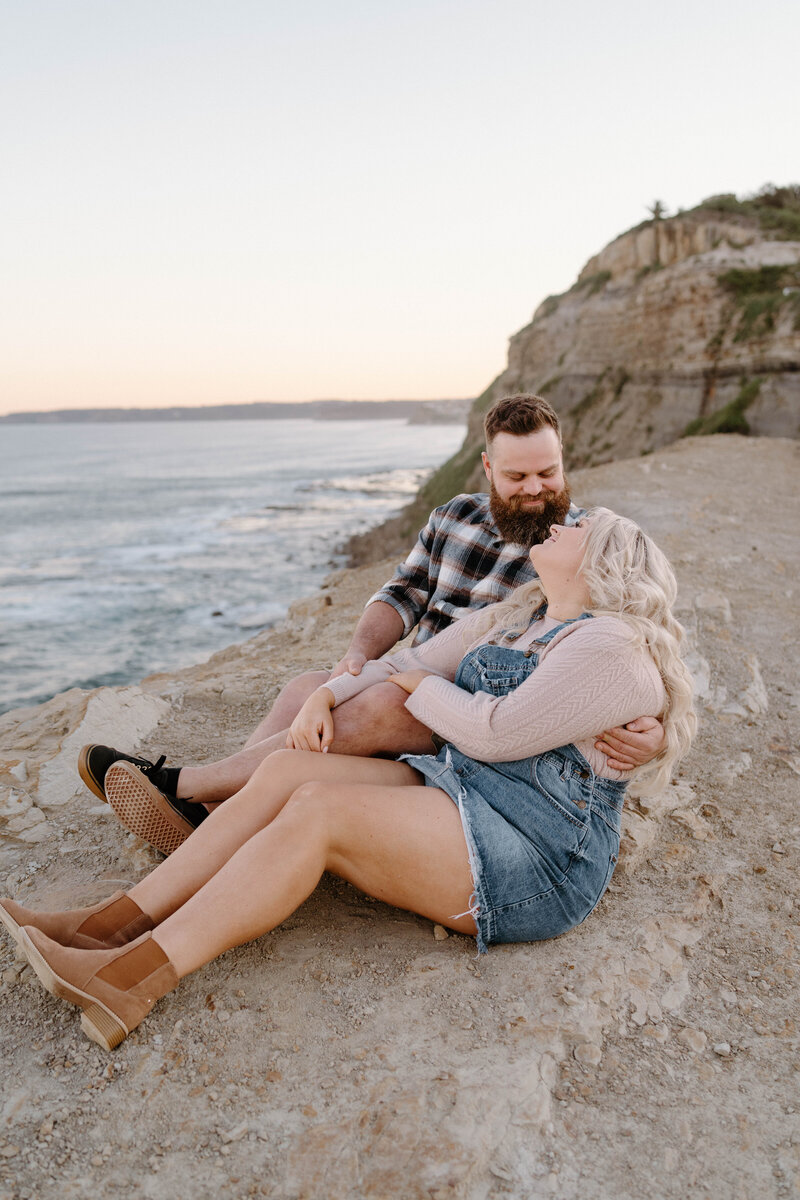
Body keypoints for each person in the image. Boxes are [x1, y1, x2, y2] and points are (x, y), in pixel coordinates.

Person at [1, 507, 695, 1051]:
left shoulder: (611, 644)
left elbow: (495, 731)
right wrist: (326, 695)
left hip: (538, 855)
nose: (562, 523)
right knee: (287, 769)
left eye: (581, 526)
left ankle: (127, 981)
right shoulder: (523, 614)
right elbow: (406, 667)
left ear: (606, 560)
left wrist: (422, 684)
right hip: (465, 791)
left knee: (319, 813)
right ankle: (102, 929)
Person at [77, 395, 665, 854]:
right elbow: (402, 594)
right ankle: (211, 818)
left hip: (486, 717)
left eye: (549, 472)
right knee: (307, 688)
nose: (537, 490)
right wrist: (353, 661)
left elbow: (643, 643)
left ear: (563, 460)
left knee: (382, 703)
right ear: (488, 467)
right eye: (517, 477)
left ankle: (189, 790)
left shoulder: (587, 545)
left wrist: (658, 729)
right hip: (412, 678)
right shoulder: (453, 516)